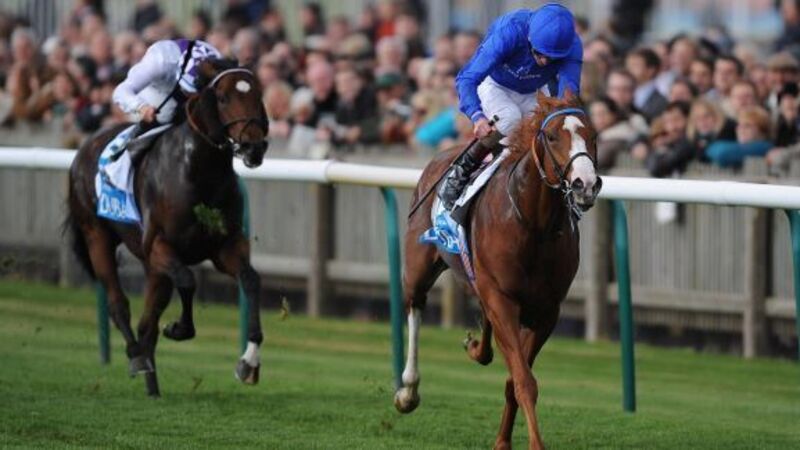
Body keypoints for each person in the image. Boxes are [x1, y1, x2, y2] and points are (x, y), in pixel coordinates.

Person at [439, 4, 583, 209]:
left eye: (553, 58)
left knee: (548, 131)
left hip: (534, 90)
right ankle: (463, 168)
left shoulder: (573, 46)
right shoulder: (510, 31)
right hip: (495, 84)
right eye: (539, 53)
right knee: (510, 118)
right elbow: (467, 78)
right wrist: (477, 116)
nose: (544, 62)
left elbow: (568, 96)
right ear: (530, 38)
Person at [111, 38, 222, 158]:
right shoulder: (157, 63)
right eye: (188, 92)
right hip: (161, 89)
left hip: (197, 84)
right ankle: (123, 155)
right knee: (165, 114)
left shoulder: (218, 61)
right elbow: (120, 91)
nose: (191, 97)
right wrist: (142, 107)